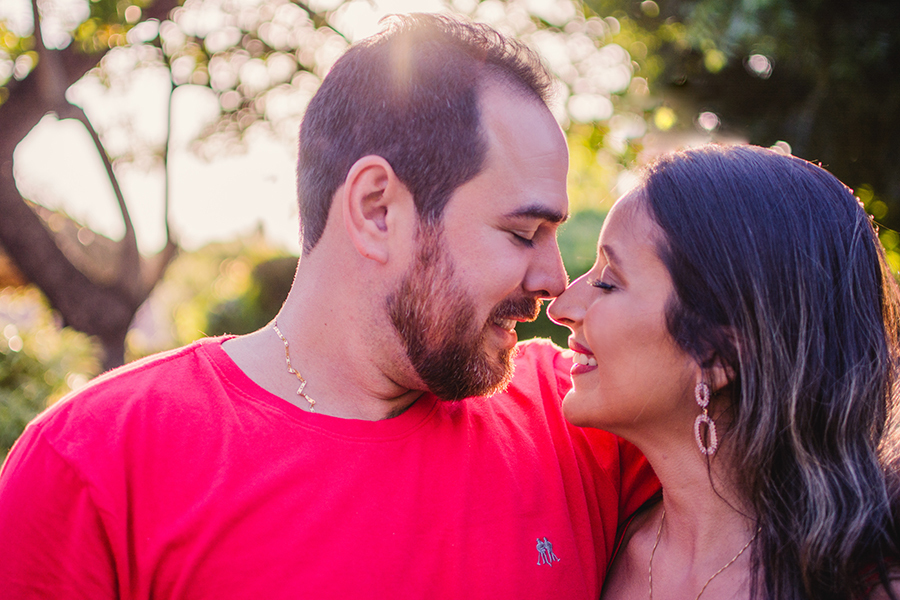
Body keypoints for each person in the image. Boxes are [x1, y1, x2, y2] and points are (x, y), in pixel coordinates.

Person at [0, 14, 658, 599]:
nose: (555, 280)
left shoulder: (588, 414)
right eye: (522, 232)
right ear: (377, 209)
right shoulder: (93, 462)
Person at [548, 143, 900, 600]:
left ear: (720, 353)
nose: (561, 306)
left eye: (608, 282)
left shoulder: (866, 585)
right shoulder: (593, 540)